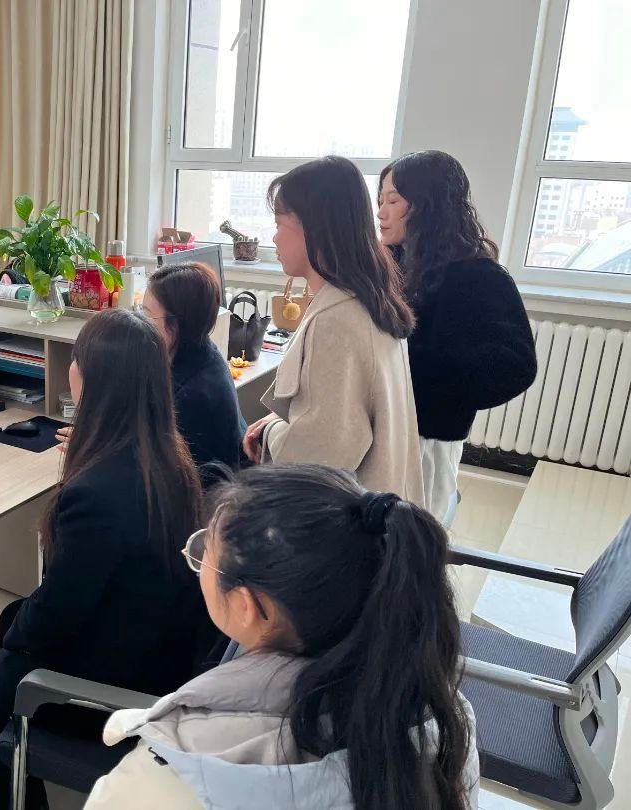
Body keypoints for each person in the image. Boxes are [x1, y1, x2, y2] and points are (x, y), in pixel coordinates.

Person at [85, 464, 479, 810]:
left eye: (205, 553)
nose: (198, 560)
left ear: (246, 605)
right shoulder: (443, 714)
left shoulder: (175, 770)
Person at [0, 309, 214, 807]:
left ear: (92, 379)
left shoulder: (97, 493)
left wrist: (13, 646)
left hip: (116, 688)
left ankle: (11, 784)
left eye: (77, 359)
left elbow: (53, 617)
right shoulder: (167, 456)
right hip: (159, 653)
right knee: (9, 618)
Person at [242, 156, 424, 502]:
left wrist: (272, 433)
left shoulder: (337, 320)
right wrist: (280, 423)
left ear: (314, 228)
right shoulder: (368, 296)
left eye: (279, 223)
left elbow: (319, 456)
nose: (274, 238)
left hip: (347, 518)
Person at [379, 150, 536, 521]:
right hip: (387, 425)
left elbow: (516, 366)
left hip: (428, 438)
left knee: (413, 535)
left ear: (428, 205)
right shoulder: (395, 263)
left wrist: (423, 373)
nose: (381, 212)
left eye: (393, 201)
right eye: (380, 200)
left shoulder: (477, 276)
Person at [55, 262, 245, 480]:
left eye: (147, 316)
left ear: (176, 325)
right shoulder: (195, 353)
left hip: (202, 496)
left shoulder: (193, 394)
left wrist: (93, 450)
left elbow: (155, 471)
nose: (140, 322)